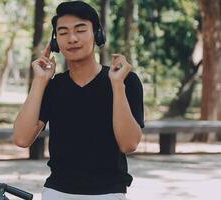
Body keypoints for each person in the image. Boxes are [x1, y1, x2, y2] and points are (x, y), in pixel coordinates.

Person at [13, 1, 144, 199]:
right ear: (56, 42)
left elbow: (129, 144)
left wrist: (117, 86)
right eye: (63, 33)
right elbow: (22, 139)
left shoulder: (126, 81)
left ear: (97, 35)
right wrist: (40, 81)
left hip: (108, 193)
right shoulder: (53, 86)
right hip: (57, 192)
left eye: (80, 30)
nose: (72, 38)